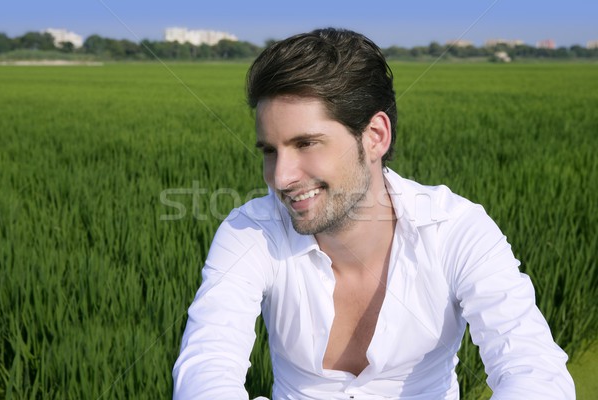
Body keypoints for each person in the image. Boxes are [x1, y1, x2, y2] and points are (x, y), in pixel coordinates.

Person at [172, 28, 575, 399]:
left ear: (375, 137)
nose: (281, 176)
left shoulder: (455, 229)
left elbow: (532, 367)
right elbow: (207, 368)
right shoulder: (251, 232)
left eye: (307, 143)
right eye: (269, 151)